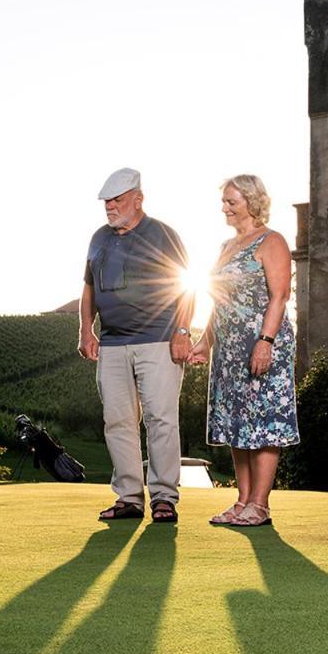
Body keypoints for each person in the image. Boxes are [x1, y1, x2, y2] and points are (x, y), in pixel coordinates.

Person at [79, 168, 193, 524]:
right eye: (106, 202)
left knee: (160, 419)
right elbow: (88, 289)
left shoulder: (162, 234)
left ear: (138, 199)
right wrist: (86, 330)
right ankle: (129, 498)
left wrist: (183, 330)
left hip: (158, 340)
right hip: (112, 344)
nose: (110, 207)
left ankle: (164, 498)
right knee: (117, 421)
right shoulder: (98, 238)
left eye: (117, 200)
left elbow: (186, 285)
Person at [188, 175, 299, 528]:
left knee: (263, 422)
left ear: (251, 202)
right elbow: (219, 301)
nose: (225, 207)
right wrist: (205, 340)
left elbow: (280, 296)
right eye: (224, 201)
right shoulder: (227, 247)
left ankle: (260, 505)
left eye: (231, 201)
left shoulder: (272, 241)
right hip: (229, 348)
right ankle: (242, 501)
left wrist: (265, 343)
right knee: (238, 423)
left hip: (262, 343)